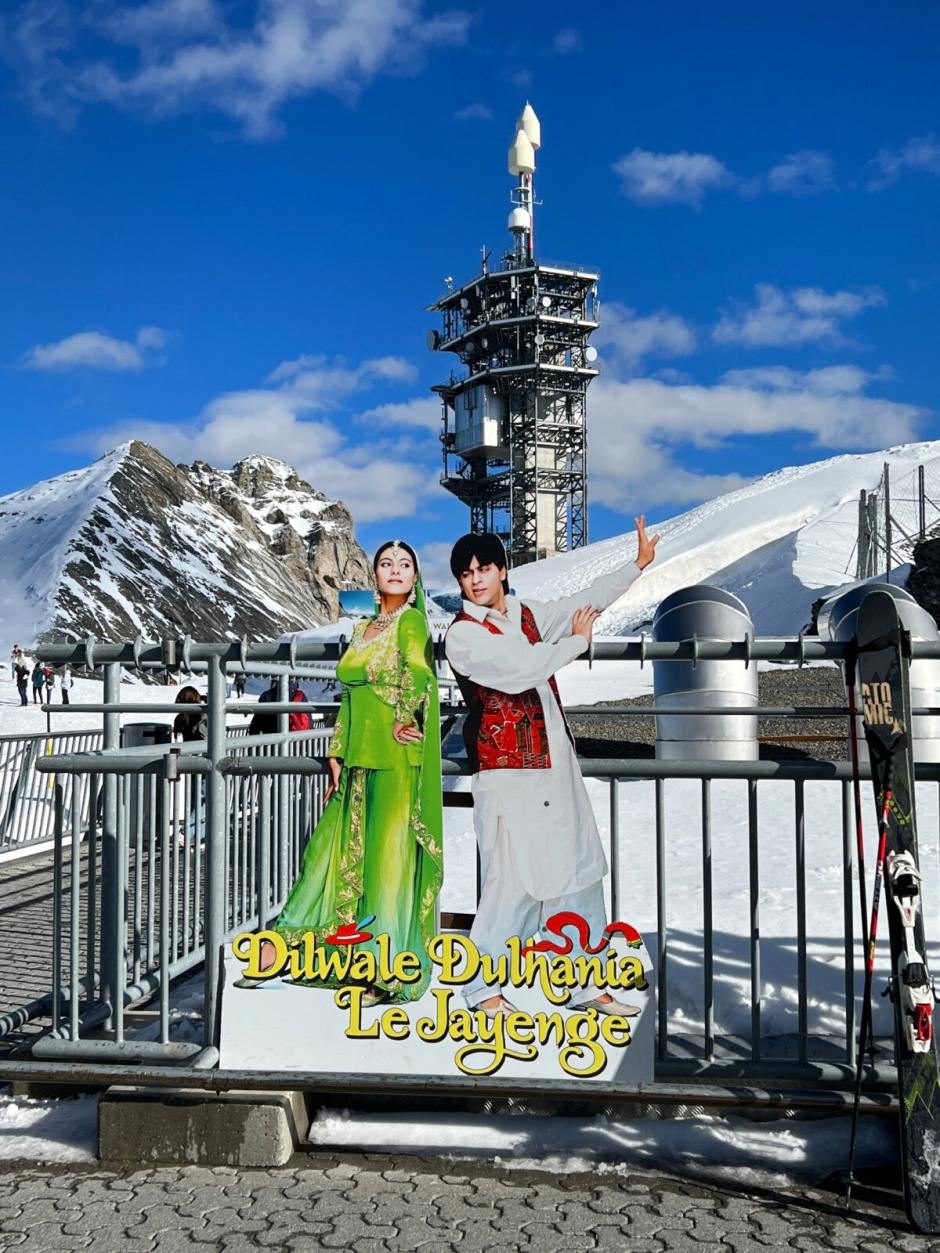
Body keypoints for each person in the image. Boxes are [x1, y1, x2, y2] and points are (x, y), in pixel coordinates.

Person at [444, 516, 660, 1018]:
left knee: (578, 872)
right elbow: (520, 672)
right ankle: (482, 990)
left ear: (501, 570)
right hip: (506, 774)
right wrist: (576, 645)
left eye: (483, 569)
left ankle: (585, 981)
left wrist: (636, 566)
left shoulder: (529, 615)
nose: (474, 580)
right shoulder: (463, 635)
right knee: (513, 882)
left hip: (553, 770)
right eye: (465, 574)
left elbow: (582, 604)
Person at [247, 540, 443, 1005]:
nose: (395, 570)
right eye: (386, 563)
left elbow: (419, 673)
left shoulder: (411, 622)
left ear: (415, 577)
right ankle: (310, 952)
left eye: (405, 564)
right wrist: (336, 750)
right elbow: (350, 694)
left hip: (395, 759)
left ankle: (385, 971)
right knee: (334, 853)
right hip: (356, 757)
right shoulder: (366, 629)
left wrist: (406, 715)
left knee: (387, 862)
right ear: (374, 575)